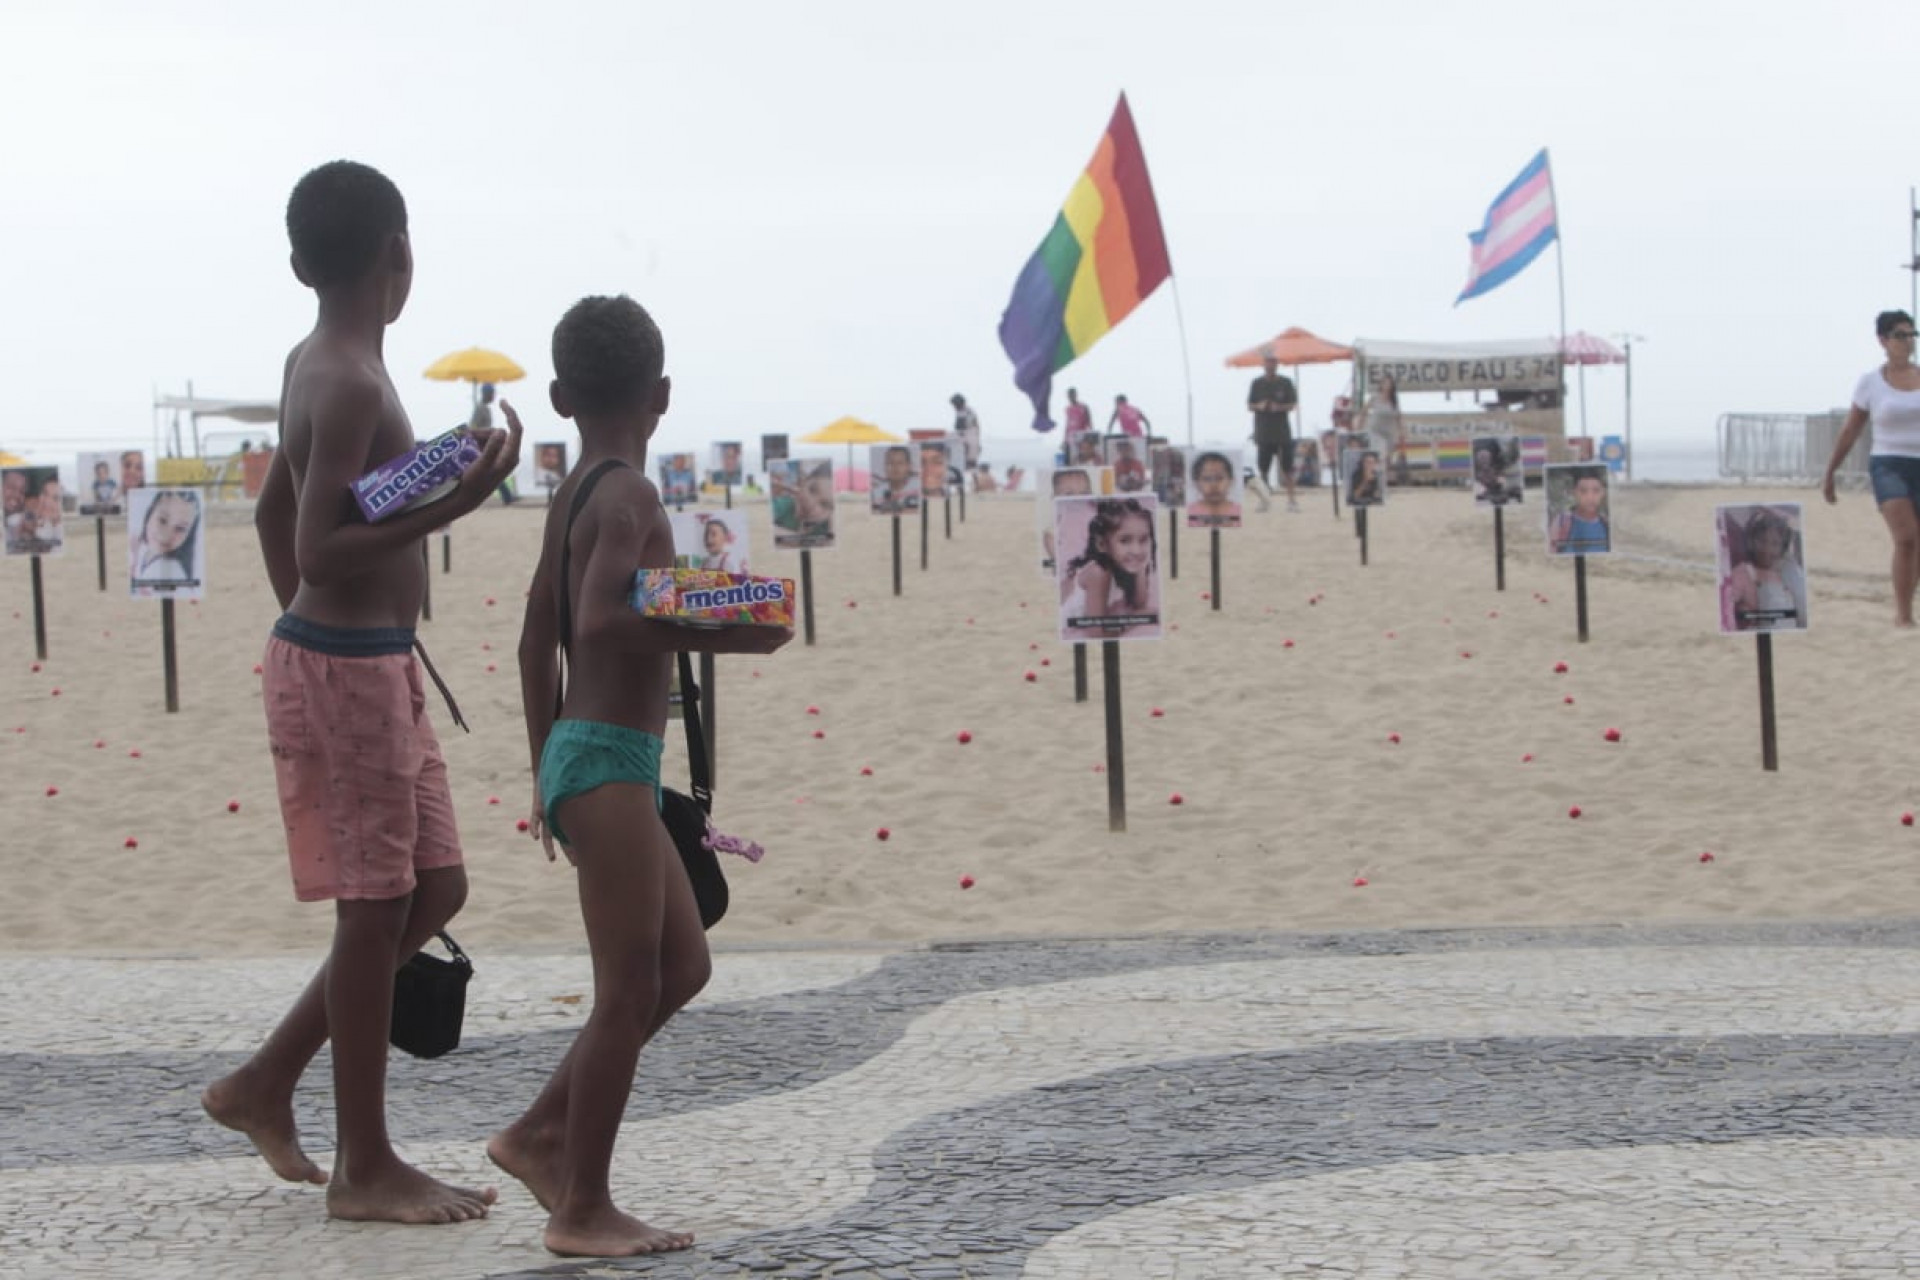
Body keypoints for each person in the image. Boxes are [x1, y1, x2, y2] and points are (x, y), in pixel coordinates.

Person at [199, 160, 522, 1226]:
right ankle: (363, 1167)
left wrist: (318, 631)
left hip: (366, 660)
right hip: (350, 669)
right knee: (376, 905)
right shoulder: (344, 379)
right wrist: (460, 501)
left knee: (434, 890)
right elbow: (316, 546)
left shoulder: (323, 363)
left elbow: (276, 520)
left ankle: (263, 1083)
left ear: (301, 265)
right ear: (400, 252)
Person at [491, 294, 792, 1257]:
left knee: (682, 965)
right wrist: (729, 633)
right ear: (662, 395)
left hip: (594, 753)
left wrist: (543, 764)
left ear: (559, 397)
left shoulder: (576, 492)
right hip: (608, 759)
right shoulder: (630, 498)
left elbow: (536, 639)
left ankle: (539, 1135)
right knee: (626, 988)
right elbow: (597, 621)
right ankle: (581, 1207)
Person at [1822, 309, 1920, 625]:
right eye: (1900, 335)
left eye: (1912, 334)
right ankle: (1903, 616)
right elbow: (1851, 429)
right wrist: (1830, 472)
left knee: (1918, 544)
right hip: (1888, 465)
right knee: (1906, 537)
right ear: (1883, 340)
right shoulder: (1870, 383)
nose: (1908, 341)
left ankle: (1906, 603)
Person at [1061, 497, 1158, 637]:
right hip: (1065, 629)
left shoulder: (1122, 563)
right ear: (1102, 545)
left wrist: (1141, 567)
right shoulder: (1099, 572)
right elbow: (1096, 633)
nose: (1137, 550)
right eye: (1125, 540)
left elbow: (1139, 603)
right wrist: (1139, 618)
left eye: (1143, 540)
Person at [1726, 506, 1807, 631]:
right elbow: (1728, 606)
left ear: (1782, 548)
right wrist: (1741, 611)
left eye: (1775, 543)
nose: (1767, 549)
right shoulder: (1743, 572)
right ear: (1752, 541)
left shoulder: (1785, 573)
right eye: (1762, 541)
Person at [1247, 357, 1299, 511]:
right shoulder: (1257, 383)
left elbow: (1293, 404)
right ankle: (1264, 500)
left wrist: (1279, 407)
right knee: (1263, 469)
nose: (1270, 366)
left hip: (1282, 432)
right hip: (1263, 432)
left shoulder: (1285, 382)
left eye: (1273, 363)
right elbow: (1249, 405)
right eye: (1267, 363)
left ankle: (1292, 501)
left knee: (1287, 468)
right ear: (1263, 365)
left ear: (1277, 365)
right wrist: (1260, 406)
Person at [131, 489, 201, 582]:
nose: (165, 536)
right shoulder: (141, 548)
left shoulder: (170, 571)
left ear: (189, 535)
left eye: (180, 528)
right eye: (162, 520)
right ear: (151, 512)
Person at [1549, 469, 1610, 553]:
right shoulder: (1562, 522)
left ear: (1603, 493)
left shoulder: (1606, 525)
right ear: (1574, 493)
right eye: (1583, 491)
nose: (1590, 497)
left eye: (1596, 491)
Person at [473, 383, 516, 505]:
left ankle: (507, 496)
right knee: (492, 470)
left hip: (486, 443)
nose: (493, 396)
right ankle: (507, 497)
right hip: (481, 445)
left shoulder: (484, 408)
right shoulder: (481, 408)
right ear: (486, 394)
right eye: (492, 393)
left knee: (492, 471)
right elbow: (474, 428)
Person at [1186, 451, 1241, 527]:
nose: (1213, 485)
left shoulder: (1240, 513)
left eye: (1219, 478)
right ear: (1196, 483)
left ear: (1231, 481)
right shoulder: (1189, 513)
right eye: (1207, 479)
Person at [872, 445, 920, 514]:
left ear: (909, 466)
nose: (895, 467)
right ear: (885, 467)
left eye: (900, 463)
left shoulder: (919, 488)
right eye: (890, 463)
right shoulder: (875, 494)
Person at [949, 393, 981, 468]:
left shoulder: (966, 412)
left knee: (970, 460)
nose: (954, 407)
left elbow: (960, 426)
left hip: (969, 436)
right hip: (968, 436)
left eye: (954, 405)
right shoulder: (963, 411)